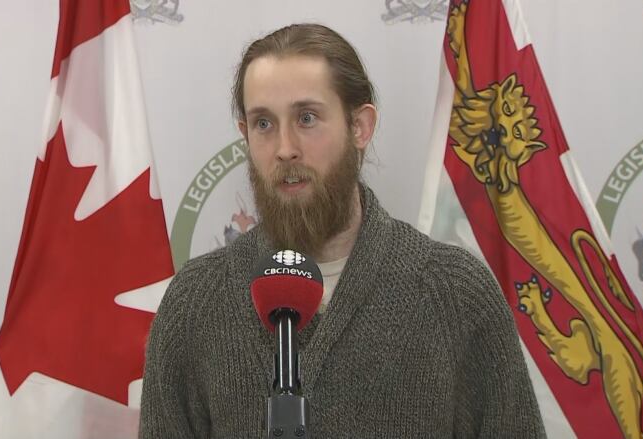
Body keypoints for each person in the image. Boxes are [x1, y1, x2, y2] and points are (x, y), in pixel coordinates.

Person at [139, 23, 545, 438]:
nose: (284, 148)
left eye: (307, 118)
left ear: (360, 127)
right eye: (263, 123)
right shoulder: (195, 301)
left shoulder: (455, 293)